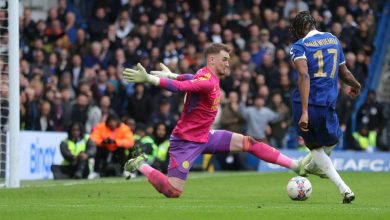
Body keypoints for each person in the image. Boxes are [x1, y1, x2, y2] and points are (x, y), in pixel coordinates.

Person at [122, 43, 303, 198]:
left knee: (251, 143)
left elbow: (188, 78)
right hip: (186, 141)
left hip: (206, 136)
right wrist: (149, 79)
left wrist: (171, 75)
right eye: (224, 59)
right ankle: (140, 164)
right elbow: (181, 87)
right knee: (173, 191)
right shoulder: (207, 81)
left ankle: (296, 165)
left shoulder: (206, 75)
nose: (227, 63)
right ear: (212, 60)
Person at [289, 11, 361, 203]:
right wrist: (355, 84)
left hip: (307, 103)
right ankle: (344, 188)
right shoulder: (333, 40)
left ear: (301, 28)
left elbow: (304, 76)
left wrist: (304, 111)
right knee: (330, 141)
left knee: (317, 146)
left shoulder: (299, 46)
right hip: (327, 102)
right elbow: (344, 72)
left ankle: (311, 166)